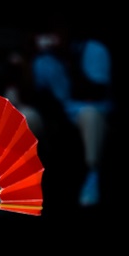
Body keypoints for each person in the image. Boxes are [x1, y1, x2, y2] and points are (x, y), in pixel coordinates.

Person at [31, 14, 114, 207]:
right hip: (60, 114)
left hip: (92, 111)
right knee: (26, 116)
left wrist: (68, 57)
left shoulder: (93, 50)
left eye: (60, 29)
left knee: (90, 114)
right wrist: (29, 58)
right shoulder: (43, 59)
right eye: (51, 30)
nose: (55, 35)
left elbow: (96, 91)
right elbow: (34, 95)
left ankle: (92, 177)